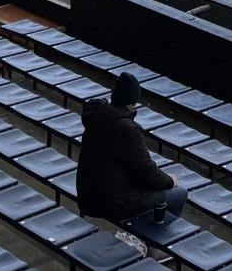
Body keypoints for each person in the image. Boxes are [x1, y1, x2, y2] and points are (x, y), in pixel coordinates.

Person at [78, 73, 188, 225]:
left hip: (88, 197)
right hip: (113, 204)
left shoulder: (97, 116)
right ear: (132, 104)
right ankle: (159, 235)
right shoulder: (126, 128)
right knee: (178, 194)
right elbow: (146, 171)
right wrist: (170, 181)